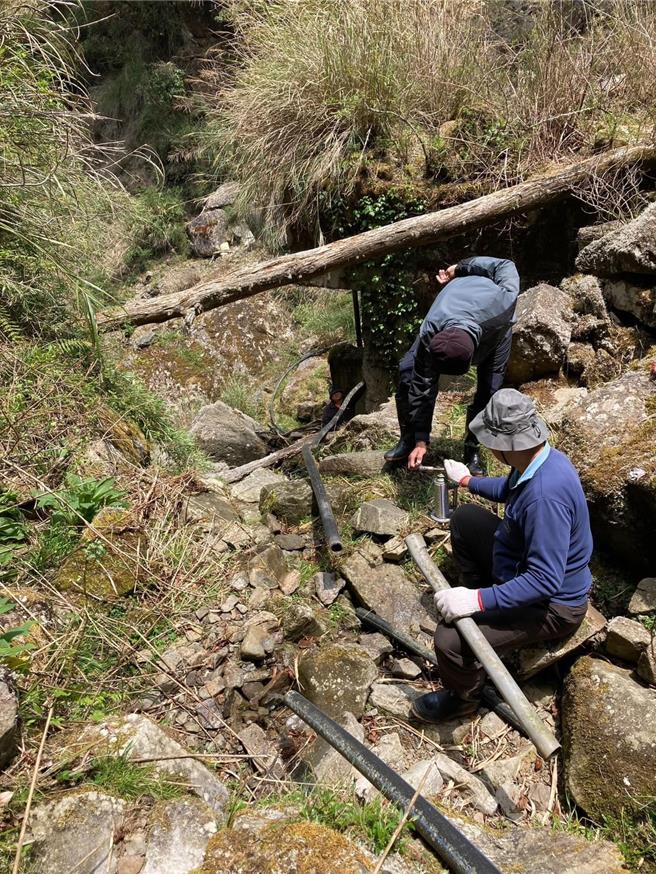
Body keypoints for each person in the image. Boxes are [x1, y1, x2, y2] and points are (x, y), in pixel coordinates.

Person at [411, 389, 593, 724]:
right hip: (520, 566)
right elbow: (508, 488)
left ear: (505, 445)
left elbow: (544, 580)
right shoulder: (539, 460)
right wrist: (467, 480)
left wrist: (477, 601)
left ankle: (463, 698)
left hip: (552, 605)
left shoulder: (544, 497)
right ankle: (487, 604)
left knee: (449, 640)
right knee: (465, 518)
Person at [384, 256, 520, 475]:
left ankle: (472, 446)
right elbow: (423, 385)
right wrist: (421, 440)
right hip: (449, 315)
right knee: (408, 372)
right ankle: (409, 439)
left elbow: (505, 265)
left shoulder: (503, 302)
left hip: (495, 332)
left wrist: (461, 268)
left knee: (489, 387)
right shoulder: (431, 329)